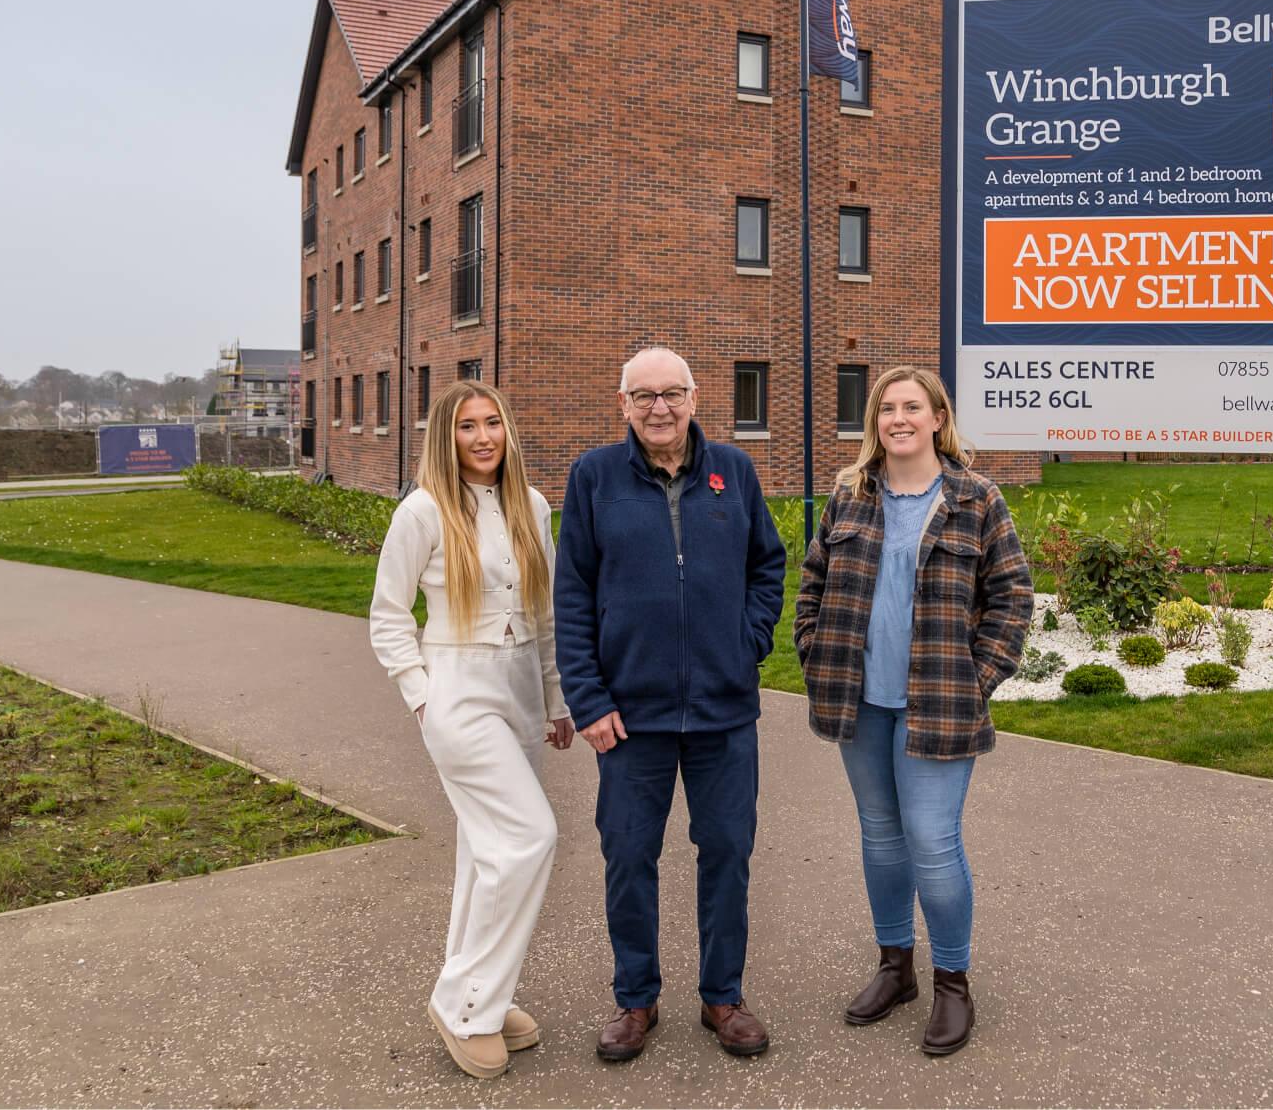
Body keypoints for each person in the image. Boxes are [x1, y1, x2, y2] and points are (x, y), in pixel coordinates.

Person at [553, 346, 787, 1063]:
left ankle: (723, 997)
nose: (659, 408)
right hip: (630, 718)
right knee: (628, 855)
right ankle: (636, 999)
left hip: (723, 711)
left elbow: (768, 565)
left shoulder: (734, 472)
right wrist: (587, 699)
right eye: (644, 396)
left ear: (694, 397)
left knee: (727, 852)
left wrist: (747, 642)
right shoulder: (595, 477)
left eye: (672, 394)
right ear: (622, 404)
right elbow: (572, 595)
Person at [793, 366, 1033, 1056]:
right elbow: (812, 583)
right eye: (887, 408)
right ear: (876, 423)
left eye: (911, 407)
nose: (898, 419)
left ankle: (952, 983)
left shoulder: (975, 499)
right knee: (880, 836)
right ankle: (895, 967)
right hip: (860, 700)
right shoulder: (851, 496)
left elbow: (1013, 597)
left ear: (937, 418)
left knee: (932, 840)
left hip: (939, 704)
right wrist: (814, 650)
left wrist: (975, 679)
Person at [368, 381, 575, 1080]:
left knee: (487, 852)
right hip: (457, 687)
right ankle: (463, 1004)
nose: (483, 437)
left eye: (492, 423)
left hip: (521, 688)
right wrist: (422, 698)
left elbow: (545, 614)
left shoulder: (532, 505)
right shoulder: (422, 511)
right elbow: (387, 615)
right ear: (445, 437)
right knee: (530, 837)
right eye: (466, 427)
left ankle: (489, 992)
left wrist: (555, 702)